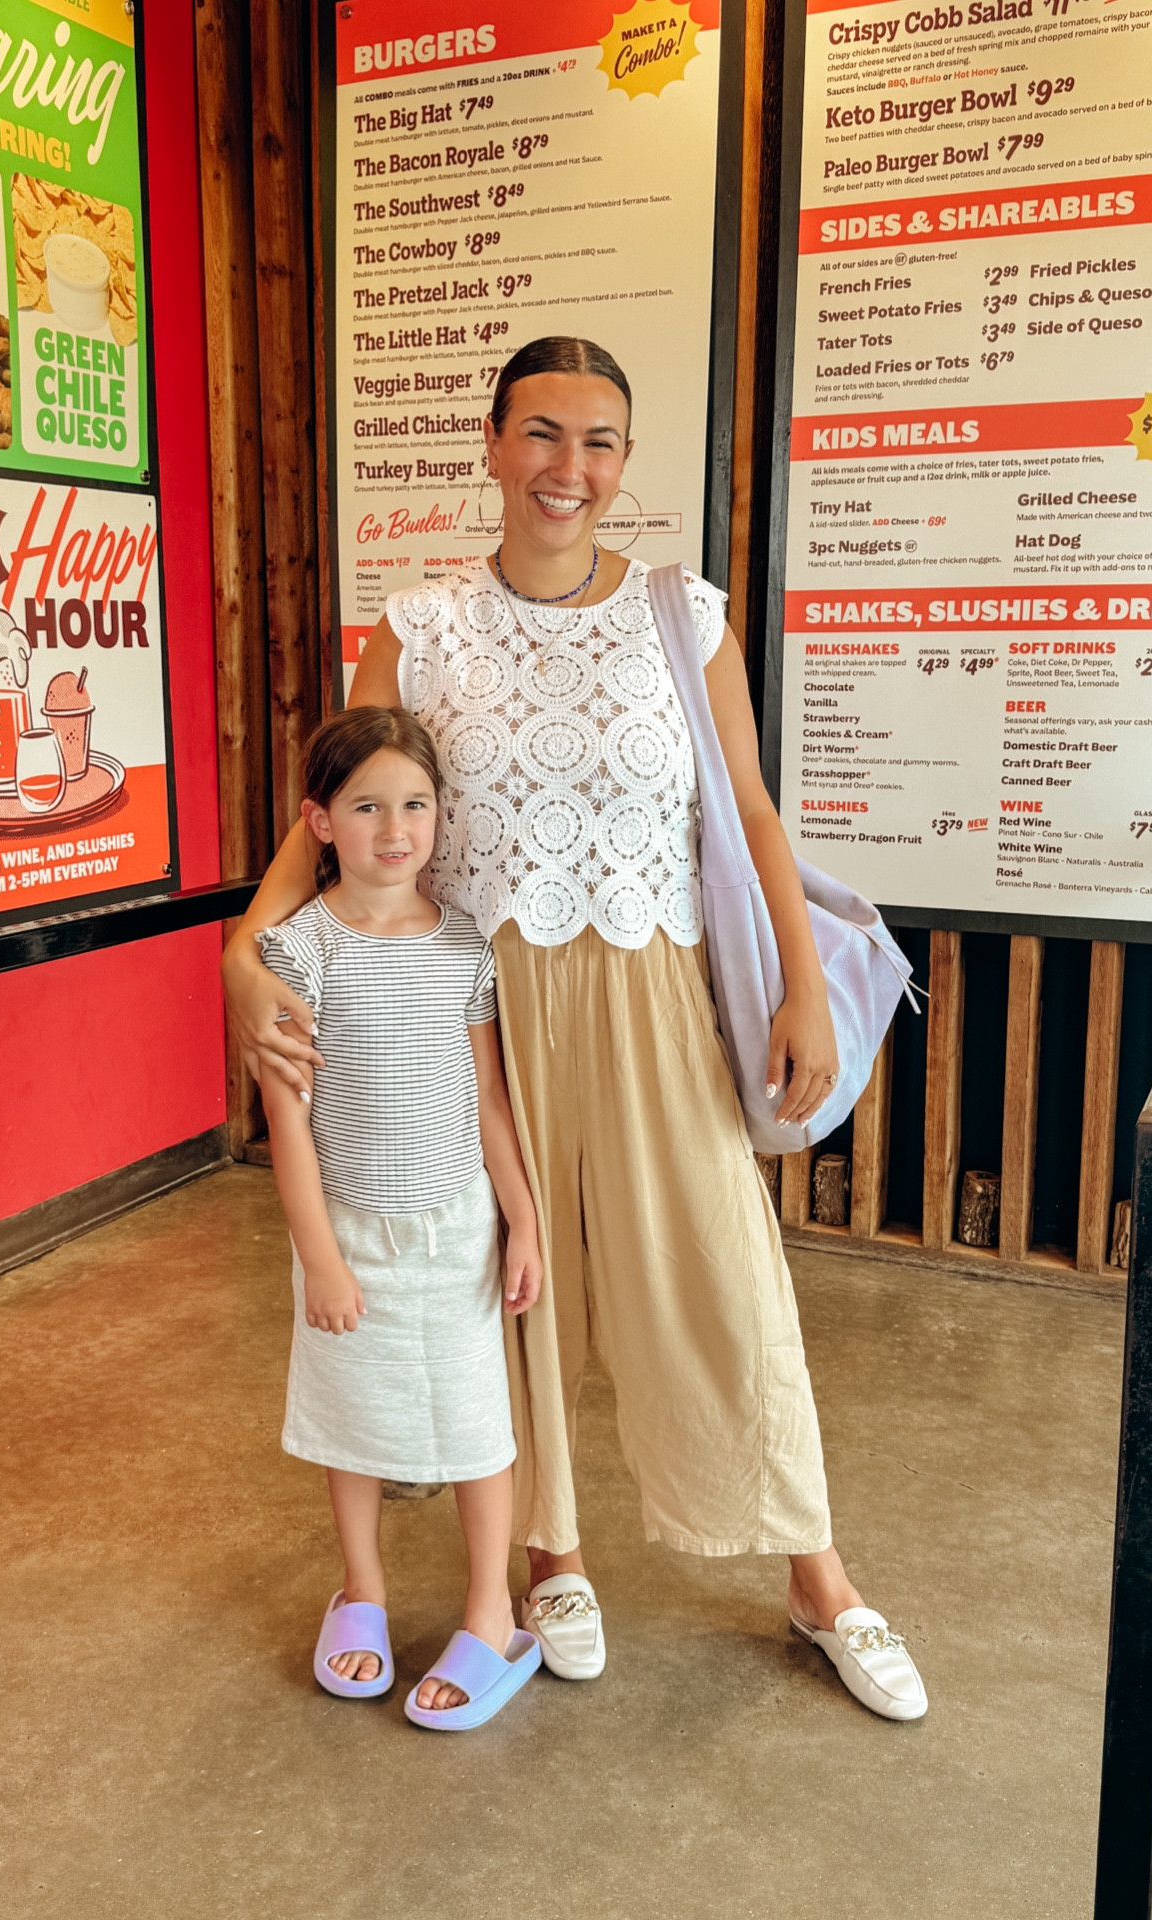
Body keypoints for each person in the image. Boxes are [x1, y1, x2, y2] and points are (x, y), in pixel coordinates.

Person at [226, 336, 928, 1721]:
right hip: (480, 1002)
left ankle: (817, 1572)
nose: (571, 468)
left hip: (654, 981)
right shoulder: (416, 628)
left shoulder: (684, 611)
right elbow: (344, 806)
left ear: (623, 461)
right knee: (516, 1285)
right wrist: (245, 954)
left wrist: (800, 980)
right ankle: (552, 1553)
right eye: (543, 435)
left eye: (600, 441)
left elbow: (754, 806)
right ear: (491, 447)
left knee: (722, 1271)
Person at [255, 704, 545, 1731]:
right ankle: (362, 1590)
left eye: (416, 804)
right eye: (367, 805)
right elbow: (287, 1124)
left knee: (476, 1424)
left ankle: (488, 1615)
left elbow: (489, 1098)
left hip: (457, 1228)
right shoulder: (298, 950)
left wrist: (522, 1220)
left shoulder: (464, 943)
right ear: (319, 821)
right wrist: (320, 1260)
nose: (396, 829)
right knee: (354, 1419)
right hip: (349, 1232)